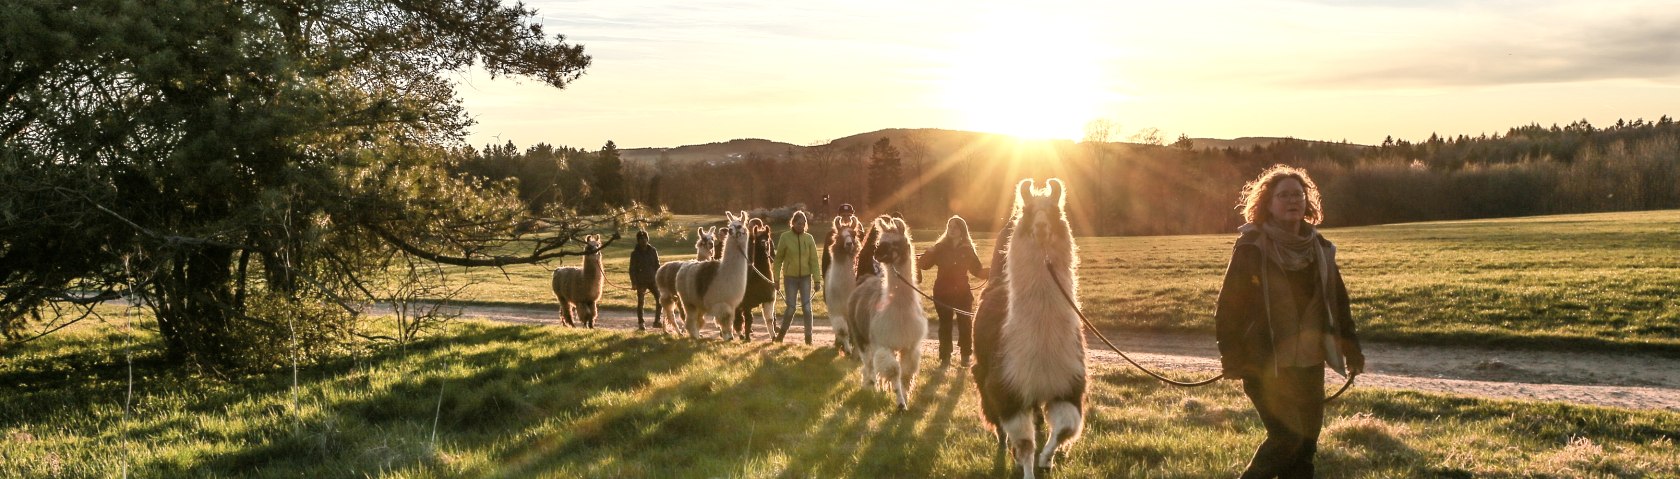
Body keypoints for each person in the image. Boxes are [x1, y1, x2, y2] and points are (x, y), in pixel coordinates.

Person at [1215, 165, 1366, 479]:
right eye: (1283, 195)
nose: (1292, 200)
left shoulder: (1321, 249)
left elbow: (1339, 304)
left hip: (1309, 363)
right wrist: (1231, 356)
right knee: (1287, 438)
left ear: (1307, 201)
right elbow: (1229, 307)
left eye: (1298, 194)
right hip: (1265, 362)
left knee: (1306, 447)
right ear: (1268, 203)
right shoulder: (1251, 247)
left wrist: (1353, 352)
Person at [917, 215, 985, 367]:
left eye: (955, 227)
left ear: (962, 230)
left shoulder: (967, 249)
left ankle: (966, 356)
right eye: (949, 227)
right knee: (945, 324)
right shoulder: (940, 248)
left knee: (965, 324)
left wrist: (995, 270)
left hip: (963, 293)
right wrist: (929, 252)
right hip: (942, 292)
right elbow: (924, 265)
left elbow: (978, 271)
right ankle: (945, 357)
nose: (951, 230)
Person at [774, 211, 823, 344]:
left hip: (806, 278)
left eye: (803, 224)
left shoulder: (809, 238)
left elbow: (814, 261)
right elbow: (778, 260)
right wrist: (776, 279)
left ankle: (808, 339)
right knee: (791, 308)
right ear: (793, 223)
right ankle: (781, 336)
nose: (801, 226)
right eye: (798, 223)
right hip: (790, 278)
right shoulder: (785, 237)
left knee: (807, 309)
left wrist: (817, 280)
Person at [628, 230, 661, 331]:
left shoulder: (653, 251)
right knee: (641, 302)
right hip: (641, 282)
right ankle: (641, 323)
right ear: (638, 241)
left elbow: (657, 265)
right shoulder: (634, 254)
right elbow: (632, 269)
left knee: (660, 300)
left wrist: (659, 278)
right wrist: (634, 283)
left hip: (653, 280)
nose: (643, 240)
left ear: (647, 239)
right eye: (641, 239)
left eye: (645, 238)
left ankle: (657, 321)